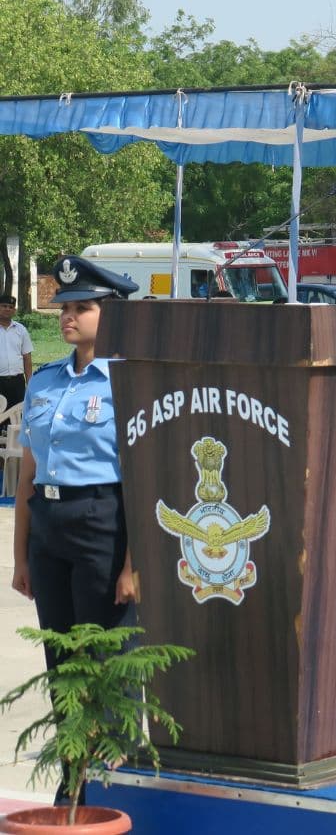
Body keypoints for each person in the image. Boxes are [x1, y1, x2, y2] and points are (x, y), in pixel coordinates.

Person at [10, 256, 140, 804]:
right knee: (61, 657)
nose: (68, 317)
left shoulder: (130, 380)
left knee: (104, 656)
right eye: (65, 308)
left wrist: (134, 566)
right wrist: (20, 555)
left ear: (108, 315)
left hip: (103, 523)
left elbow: (141, 476)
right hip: (51, 527)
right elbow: (29, 472)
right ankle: (73, 777)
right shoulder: (45, 381)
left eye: (81, 308)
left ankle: (111, 779)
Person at [0, 294, 33, 415]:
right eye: (4, 306)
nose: (7, 309)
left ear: (14, 310)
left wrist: (29, 381)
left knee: (17, 416)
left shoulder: (21, 330)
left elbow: (27, 358)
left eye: (10, 306)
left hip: (17, 381)